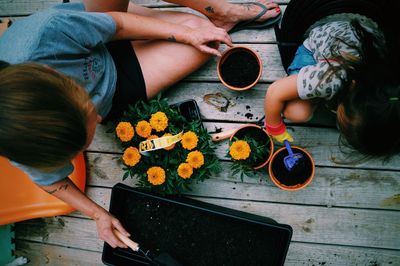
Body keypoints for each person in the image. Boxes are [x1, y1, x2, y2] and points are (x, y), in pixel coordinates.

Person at [0, 0, 280, 249]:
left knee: (197, 30)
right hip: (117, 85)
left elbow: (117, 25)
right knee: (207, 44)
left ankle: (218, 9)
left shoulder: (46, 38)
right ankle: (173, 23)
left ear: (56, 78)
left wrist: (186, 34)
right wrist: (98, 214)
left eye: (89, 112)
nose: (99, 120)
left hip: (99, 28)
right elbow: (51, 183)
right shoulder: (20, 139)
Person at [264, 13, 400, 157]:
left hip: (355, 33)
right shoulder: (330, 79)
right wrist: (274, 126)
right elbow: (274, 91)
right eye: (344, 125)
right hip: (313, 48)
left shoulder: (387, 81)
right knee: (297, 112)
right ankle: (305, 83)